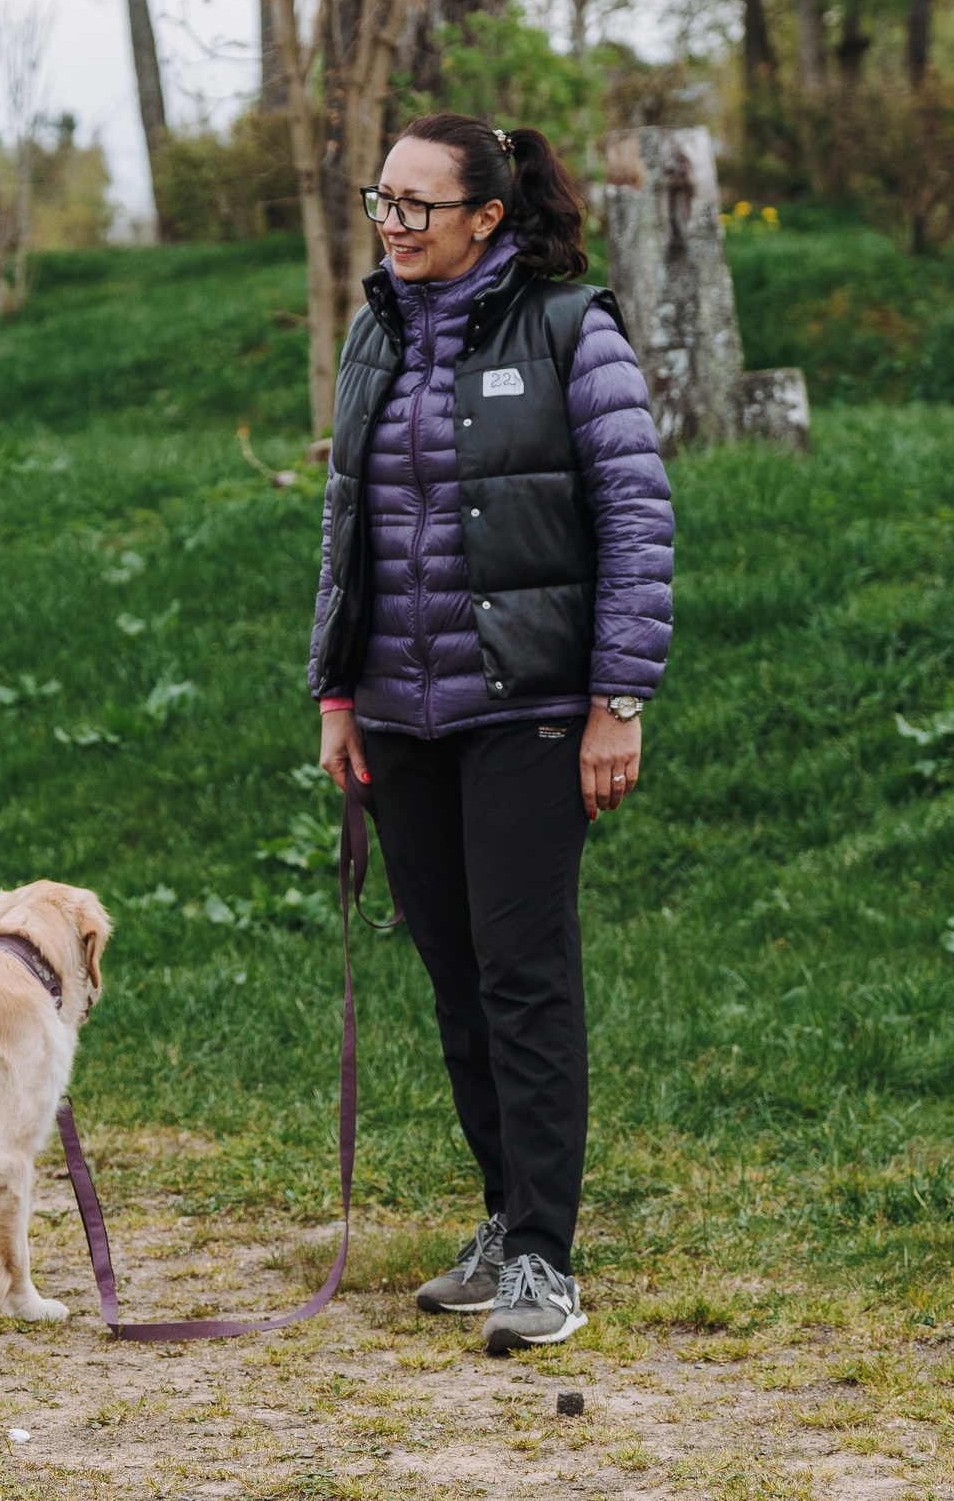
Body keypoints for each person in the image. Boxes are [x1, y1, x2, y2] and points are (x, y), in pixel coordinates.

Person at [309, 113, 672, 1354]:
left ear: (487, 217)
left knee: (523, 978)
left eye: (418, 204)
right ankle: (503, 1216)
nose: (393, 222)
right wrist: (336, 692)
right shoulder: (372, 333)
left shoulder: (572, 330)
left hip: (528, 711)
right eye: (383, 200)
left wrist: (617, 699)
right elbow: (344, 522)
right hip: (400, 714)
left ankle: (545, 1260)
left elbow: (635, 519)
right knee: (458, 982)